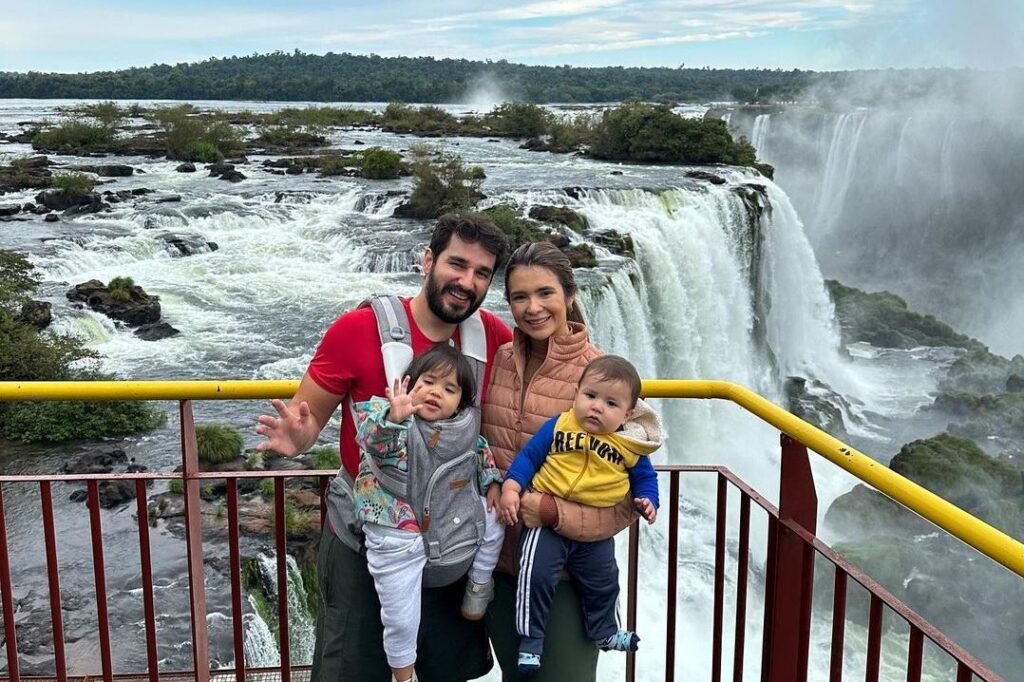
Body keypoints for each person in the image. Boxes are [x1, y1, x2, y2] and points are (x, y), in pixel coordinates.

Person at [256, 212, 512, 682]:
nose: (466, 282)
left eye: (481, 273)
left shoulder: (492, 336)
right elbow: (305, 423)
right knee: (353, 670)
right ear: (427, 260)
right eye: (457, 264)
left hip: (452, 538)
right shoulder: (357, 331)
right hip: (368, 540)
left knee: (443, 672)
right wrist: (295, 440)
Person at [481, 241, 642, 682]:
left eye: (545, 293)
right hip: (502, 564)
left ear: (569, 296)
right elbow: (481, 446)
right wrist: (492, 480)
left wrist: (552, 512)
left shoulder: (601, 380)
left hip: (570, 574)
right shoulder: (501, 361)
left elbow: (626, 503)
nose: (533, 308)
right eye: (519, 296)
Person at [500, 355, 662, 677]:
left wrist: (649, 501)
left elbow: (645, 478)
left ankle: (604, 631)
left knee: (605, 582)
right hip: (546, 526)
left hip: (594, 534)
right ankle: (531, 641)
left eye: (611, 404)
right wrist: (511, 488)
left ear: (628, 414)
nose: (597, 407)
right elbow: (529, 457)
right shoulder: (560, 425)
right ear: (576, 394)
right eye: (590, 396)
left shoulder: (629, 445)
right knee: (535, 577)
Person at [354, 345, 505, 682]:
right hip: (396, 525)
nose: (436, 392)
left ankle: (478, 588)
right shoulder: (390, 413)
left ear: (461, 402)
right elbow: (370, 441)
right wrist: (393, 417)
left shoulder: (462, 426)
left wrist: (492, 481)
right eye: (428, 381)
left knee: (495, 518)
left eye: (449, 389)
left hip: (446, 516)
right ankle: (403, 674)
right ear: (409, 383)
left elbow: (480, 451)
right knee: (402, 617)